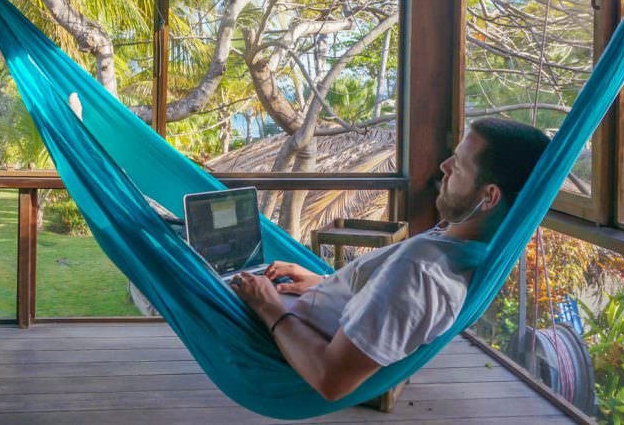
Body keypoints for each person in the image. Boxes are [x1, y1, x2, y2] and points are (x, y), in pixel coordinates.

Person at [230, 117, 550, 401]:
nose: (444, 167)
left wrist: (267, 305)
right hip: (297, 309)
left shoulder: (420, 272)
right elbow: (377, 304)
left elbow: (331, 379)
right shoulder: (458, 249)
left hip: (274, 338)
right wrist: (323, 284)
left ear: (489, 196)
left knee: (191, 270)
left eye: (460, 165)